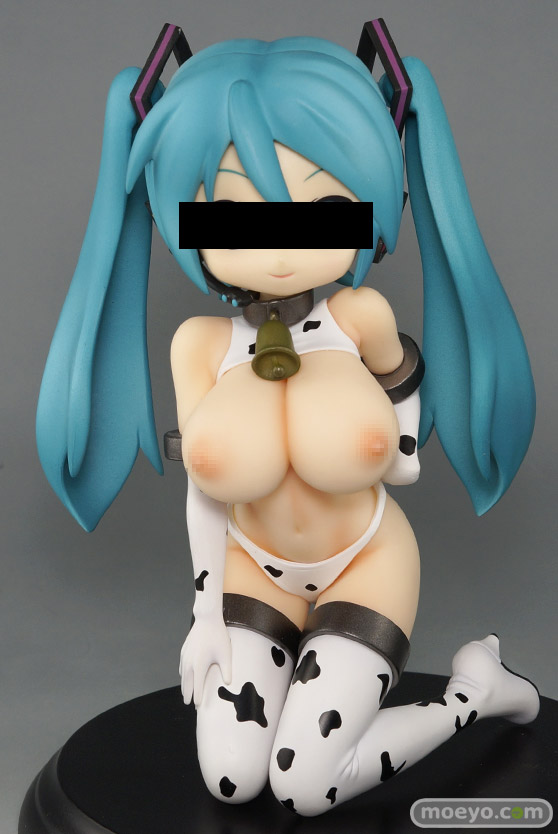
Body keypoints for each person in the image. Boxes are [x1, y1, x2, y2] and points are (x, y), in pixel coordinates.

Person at [36, 23, 539, 817]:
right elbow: (205, 492)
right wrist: (204, 614)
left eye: (322, 208)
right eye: (235, 212)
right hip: (252, 571)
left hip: (364, 564)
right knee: (232, 778)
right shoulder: (200, 346)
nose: (277, 246)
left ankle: (474, 696)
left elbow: (404, 392)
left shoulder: (358, 318)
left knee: (306, 785)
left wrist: (398, 445)